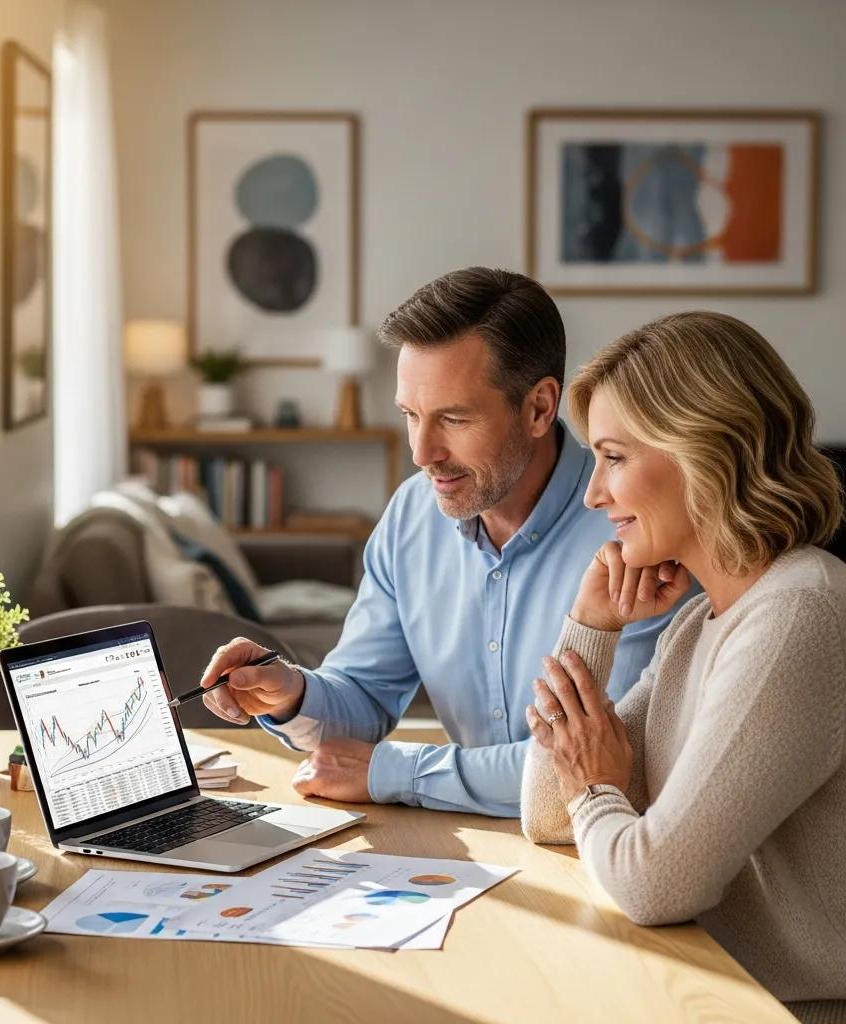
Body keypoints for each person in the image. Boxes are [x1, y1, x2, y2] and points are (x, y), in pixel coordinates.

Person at [199, 267, 683, 816]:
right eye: (410, 415)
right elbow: (363, 694)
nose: (421, 452)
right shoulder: (412, 514)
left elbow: (607, 760)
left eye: (452, 418)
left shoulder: (633, 527)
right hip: (467, 845)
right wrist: (291, 693)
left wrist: (394, 771)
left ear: (539, 409)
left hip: (597, 844)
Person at [521, 312, 845, 1021]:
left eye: (613, 457)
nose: (592, 494)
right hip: (700, 990)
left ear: (705, 449)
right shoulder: (700, 624)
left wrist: (598, 788)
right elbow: (549, 813)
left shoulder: (798, 614)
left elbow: (654, 882)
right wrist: (591, 626)